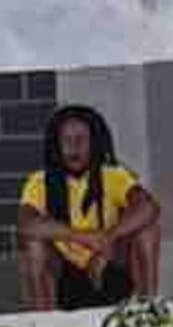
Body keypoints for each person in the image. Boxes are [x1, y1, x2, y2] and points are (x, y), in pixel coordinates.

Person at [18, 105, 161, 311]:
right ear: (56, 145)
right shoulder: (40, 181)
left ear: (94, 142)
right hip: (65, 277)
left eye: (81, 139)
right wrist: (85, 238)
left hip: (110, 267)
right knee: (34, 245)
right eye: (66, 140)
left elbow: (149, 207)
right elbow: (27, 224)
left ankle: (148, 308)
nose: (73, 147)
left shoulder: (113, 175)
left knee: (148, 229)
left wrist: (107, 238)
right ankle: (44, 321)